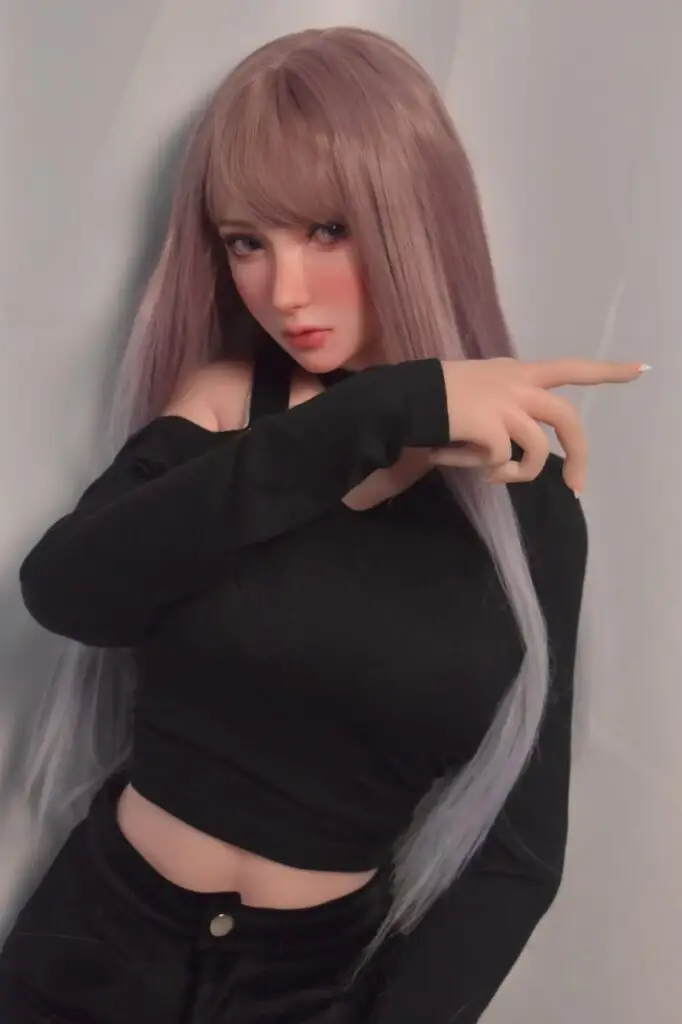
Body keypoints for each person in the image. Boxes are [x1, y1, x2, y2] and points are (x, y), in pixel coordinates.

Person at [0, 24, 645, 1024]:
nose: (283, 290)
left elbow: (517, 855)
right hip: (92, 950)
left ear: (414, 216)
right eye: (246, 242)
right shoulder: (225, 412)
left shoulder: (528, 508)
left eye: (328, 230)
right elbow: (71, 592)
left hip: (312, 988)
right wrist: (380, 411)